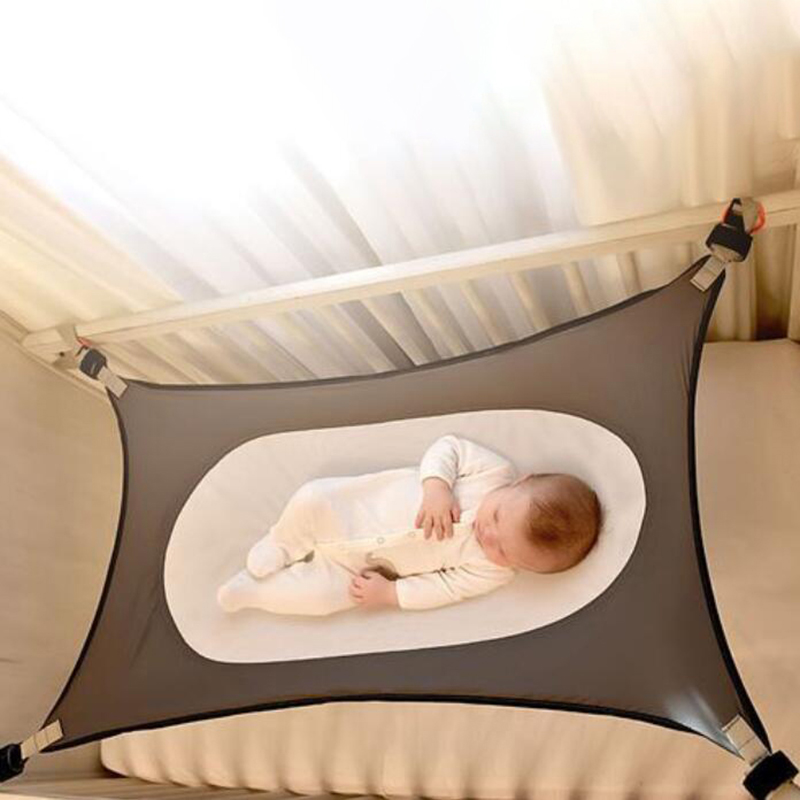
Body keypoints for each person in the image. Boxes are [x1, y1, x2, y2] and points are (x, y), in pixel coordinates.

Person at [216, 434, 603, 616]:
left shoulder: (492, 573)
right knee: (312, 498)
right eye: (498, 516)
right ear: (520, 482)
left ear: (521, 567)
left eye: (502, 550)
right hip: (351, 510)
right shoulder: (493, 473)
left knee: (321, 599)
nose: (488, 535)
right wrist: (437, 487)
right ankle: (282, 542)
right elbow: (448, 447)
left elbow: (445, 588)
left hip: (360, 569)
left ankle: (254, 593)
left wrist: (390, 594)